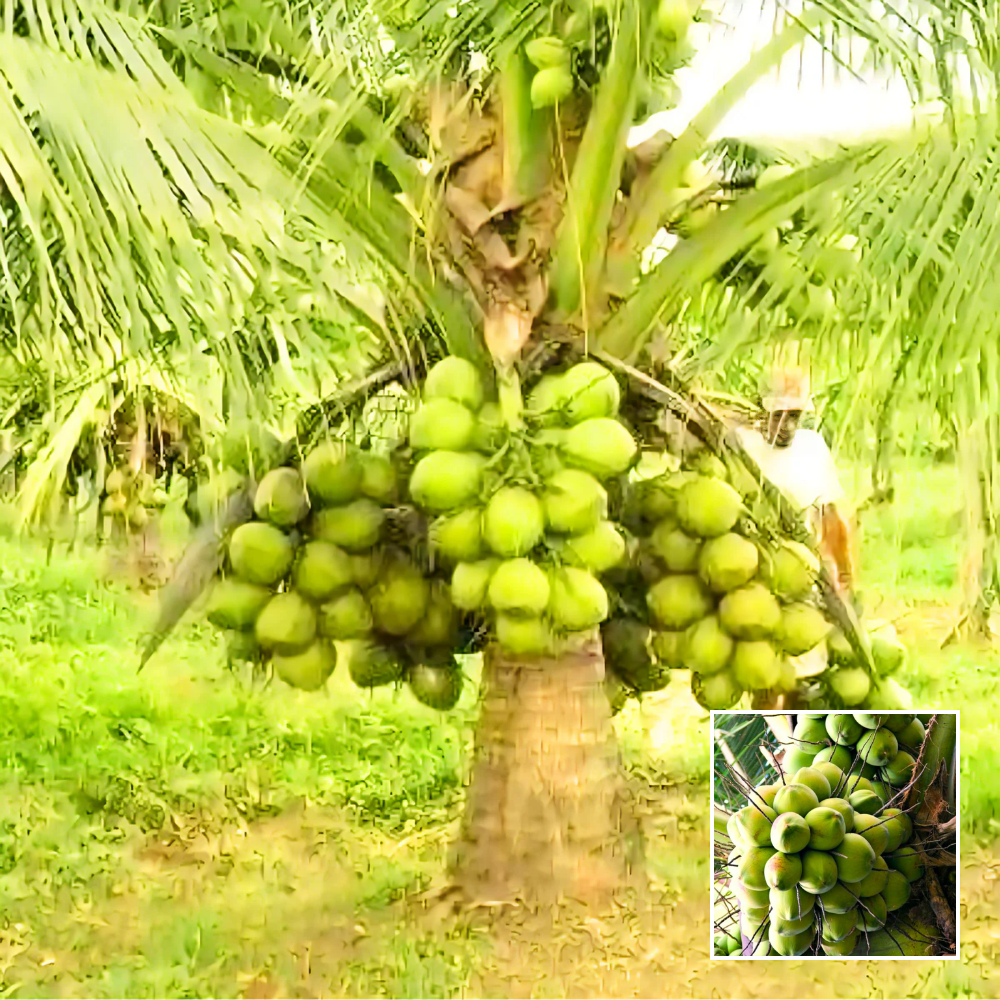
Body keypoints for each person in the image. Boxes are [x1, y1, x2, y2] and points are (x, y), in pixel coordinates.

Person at [733, 366, 856, 601]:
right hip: (747, 573)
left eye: (794, 416)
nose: (787, 426)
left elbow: (830, 516)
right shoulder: (741, 444)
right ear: (761, 410)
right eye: (778, 415)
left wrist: (844, 573)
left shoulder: (812, 447)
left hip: (799, 571)